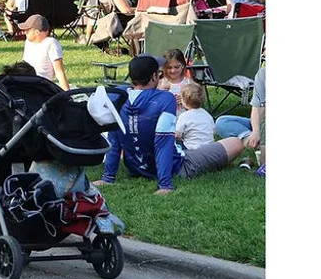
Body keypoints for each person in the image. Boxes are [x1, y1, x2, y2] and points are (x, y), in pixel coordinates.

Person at [94, 55, 244, 194]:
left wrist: (108, 177)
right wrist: (165, 184)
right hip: (176, 166)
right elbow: (163, 141)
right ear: (153, 77)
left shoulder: (117, 96)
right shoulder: (165, 99)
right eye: (159, 74)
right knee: (236, 143)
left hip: (136, 167)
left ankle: (109, 176)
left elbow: (114, 139)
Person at [214, 66, 266, 176]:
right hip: (262, 123)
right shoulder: (263, 73)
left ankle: (255, 142)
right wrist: (256, 131)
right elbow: (257, 107)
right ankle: (250, 139)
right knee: (222, 122)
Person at [18, 14, 69, 91]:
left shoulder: (51, 43)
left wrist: (67, 92)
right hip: (25, 80)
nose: (25, 32)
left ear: (37, 32)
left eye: (27, 30)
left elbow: (59, 71)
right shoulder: (28, 42)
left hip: (41, 85)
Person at [175, 83, 215, 151]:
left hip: (191, 150)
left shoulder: (184, 116)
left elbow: (177, 135)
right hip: (209, 149)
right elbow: (213, 130)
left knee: (172, 141)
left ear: (184, 101)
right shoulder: (207, 115)